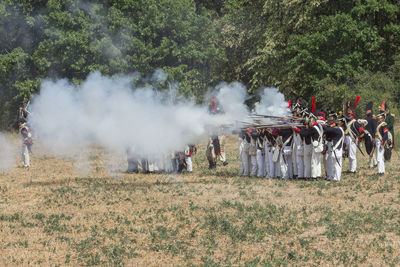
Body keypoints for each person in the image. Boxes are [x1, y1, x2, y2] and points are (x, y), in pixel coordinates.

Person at [323, 114, 345, 181]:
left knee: (336, 164)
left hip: (336, 150)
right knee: (333, 164)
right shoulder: (339, 130)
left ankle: (335, 177)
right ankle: (332, 177)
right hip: (335, 149)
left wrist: (324, 125)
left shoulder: (338, 130)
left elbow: (328, 130)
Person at [364, 102, 377, 168]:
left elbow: (375, 128)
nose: (365, 111)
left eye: (366, 110)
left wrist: (374, 137)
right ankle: (375, 162)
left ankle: (371, 164)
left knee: (370, 150)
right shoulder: (366, 118)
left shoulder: (373, 117)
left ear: (369, 110)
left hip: (371, 136)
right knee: (368, 150)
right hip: (366, 136)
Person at [376, 111, 389, 176]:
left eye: (379, 118)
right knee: (380, 157)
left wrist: (382, 143)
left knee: (379, 157)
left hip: (380, 142)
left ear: (383, 119)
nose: (378, 119)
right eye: (378, 118)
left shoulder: (384, 124)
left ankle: (380, 172)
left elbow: (385, 135)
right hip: (378, 142)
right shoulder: (379, 125)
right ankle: (381, 171)